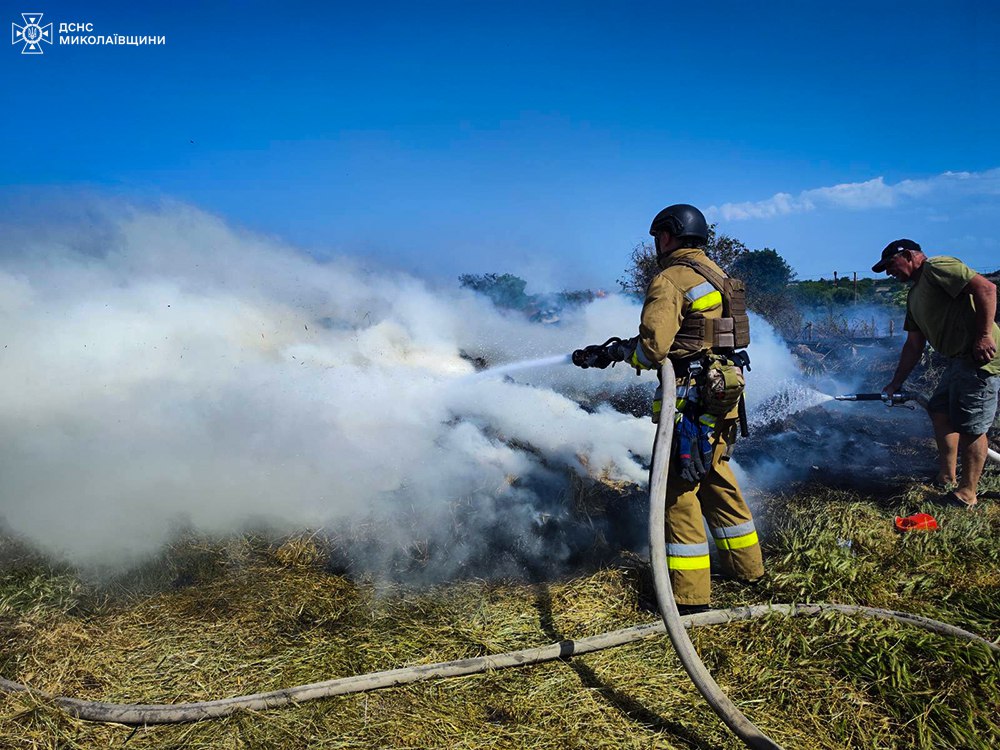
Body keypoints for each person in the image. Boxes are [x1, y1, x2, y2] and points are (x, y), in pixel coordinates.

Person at [574, 204, 764, 613]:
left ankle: (689, 597)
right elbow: (700, 337)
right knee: (716, 479)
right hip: (724, 396)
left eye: (658, 236)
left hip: (690, 402)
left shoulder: (671, 279)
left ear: (668, 235)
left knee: (678, 491)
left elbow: (654, 349)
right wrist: (617, 351)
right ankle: (748, 569)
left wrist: (625, 353)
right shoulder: (718, 275)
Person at [876, 239, 1000, 509]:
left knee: (972, 427)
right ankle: (946, 476)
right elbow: (913, 344)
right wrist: (895, 383)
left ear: (908, 255)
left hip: (978, 357)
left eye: (890, 265)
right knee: (939, 410)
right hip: (957, 360)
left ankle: (967, 493)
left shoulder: (936, 267)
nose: (889, 273)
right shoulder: (914, 296)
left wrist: (983, 336)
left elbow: (987, 288)